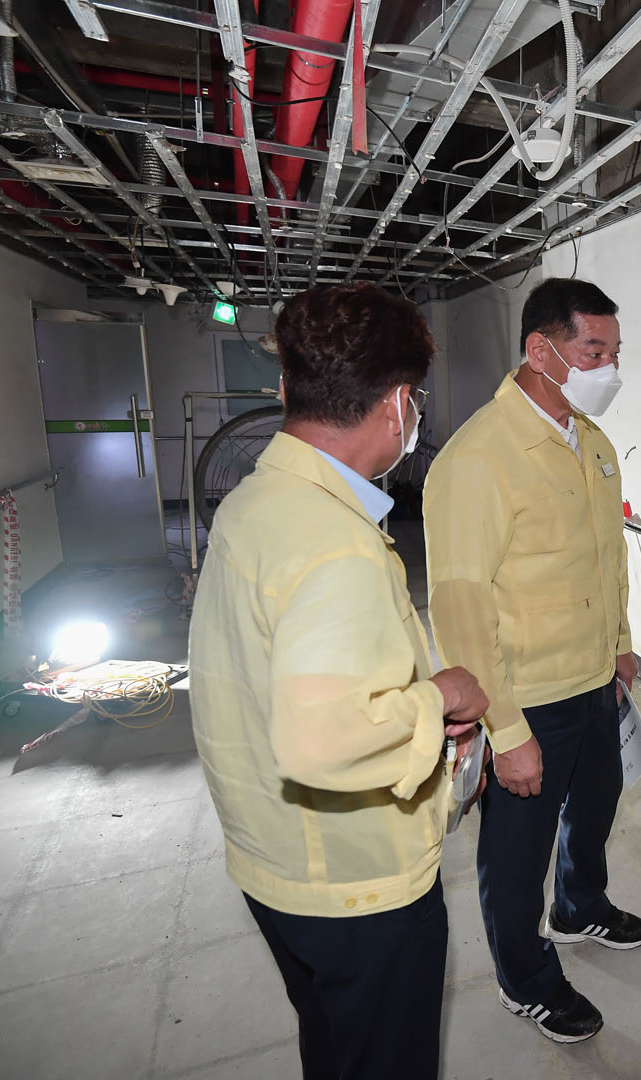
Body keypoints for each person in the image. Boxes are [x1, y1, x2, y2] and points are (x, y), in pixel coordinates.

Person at [188, 282, 489, 1079]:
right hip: (355, 888)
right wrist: (442, 696)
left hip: (274, 861)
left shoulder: (256, 502)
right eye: (416, 400)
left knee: (333, 1045)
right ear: (397, 406)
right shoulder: (336, 545)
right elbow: (322, 742)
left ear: (288, 387)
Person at [423, 276, 641, 1044]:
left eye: (616, 353)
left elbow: (607, 557)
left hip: (594, 679)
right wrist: (507, 731)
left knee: (596, 808)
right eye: (595, 352)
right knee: (516, 854)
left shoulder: (592, 442)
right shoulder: (479, 457)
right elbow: (460, 607)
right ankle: (526, 979)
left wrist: (620, 644)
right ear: (540, 351)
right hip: (526, 694)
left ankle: (581, 905)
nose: (610, 369)